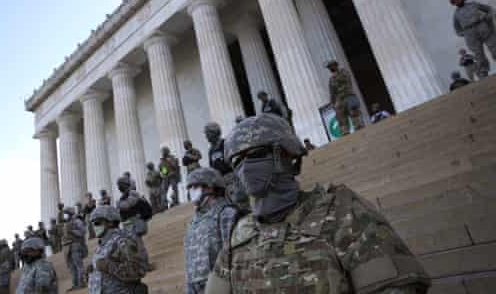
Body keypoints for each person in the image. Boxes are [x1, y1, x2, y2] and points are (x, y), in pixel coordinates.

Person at [204, 114, 430, 294]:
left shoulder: (340, 211)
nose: (244, 167)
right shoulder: (240, 234)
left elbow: (397, 286)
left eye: (254, 154)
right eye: (236, 161)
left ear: (286, 154)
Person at [184, 168, 238, 294]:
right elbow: (190, 261)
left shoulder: (226, 214)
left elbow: (233, 255)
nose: (192, 191)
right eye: (190, 187)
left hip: (219, 286)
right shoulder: (194, 221)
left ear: (210, 188)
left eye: (196, 186)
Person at [87, 206, 148, 294]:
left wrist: (109, 266)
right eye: (93, 224)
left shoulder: (122, 241)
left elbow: (138, 270)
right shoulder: (104, 243)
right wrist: (93, 269)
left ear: (110, 223)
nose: (94, 227)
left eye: (97, 223)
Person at [205, 122, 249, 212]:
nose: (206, 136)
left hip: (232, 177)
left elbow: (234, 160)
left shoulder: (225, 144)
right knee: (230, 206)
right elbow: (212, 167)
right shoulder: (211, 150)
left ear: (214, 132)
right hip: (221, 181)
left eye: (207, 133)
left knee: (240, 203)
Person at [451, 0, 495, 78]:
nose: (457, 1)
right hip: (470, 33)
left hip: (481, 26)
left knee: (494, 46)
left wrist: (489, 16)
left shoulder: (473, 4)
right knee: (478, 54)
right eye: (454, 0)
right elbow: (457, 29)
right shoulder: (456, 14)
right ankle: (483, 72)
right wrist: (464, 33)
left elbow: (489, 9)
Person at [117, 177, 152, 270]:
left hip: (134, 224)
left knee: (139, 246)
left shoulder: (132, 196)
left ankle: (145, 265)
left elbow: (127, 205)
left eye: (121, 184)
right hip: (127, 225)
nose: (120, 187)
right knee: (131, 247)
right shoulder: (124, 197)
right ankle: (139, 265)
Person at [327, 60, 364, 136]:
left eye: (331, 66)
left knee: (354, 114)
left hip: (348, 96)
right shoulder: (331, 79)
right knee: (341, 118)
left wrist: (336, 75)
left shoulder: (344, 72)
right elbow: (332, 92)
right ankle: (345, 132)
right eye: (329, 67)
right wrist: (332, 103)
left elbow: (346, 80)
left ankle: (359, 128)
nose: (330, 68)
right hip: (339, 100)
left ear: (336, 65)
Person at [62, 207, 88, 290]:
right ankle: (75, 284)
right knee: (72, 267)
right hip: (67, 246)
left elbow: (83, 231)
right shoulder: (66, 223)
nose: (65, 215)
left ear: (70, 213)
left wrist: (73, 231)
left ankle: (82, 283)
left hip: (75, 245)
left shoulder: (77, 221)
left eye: (66, 213)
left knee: (78, 265)